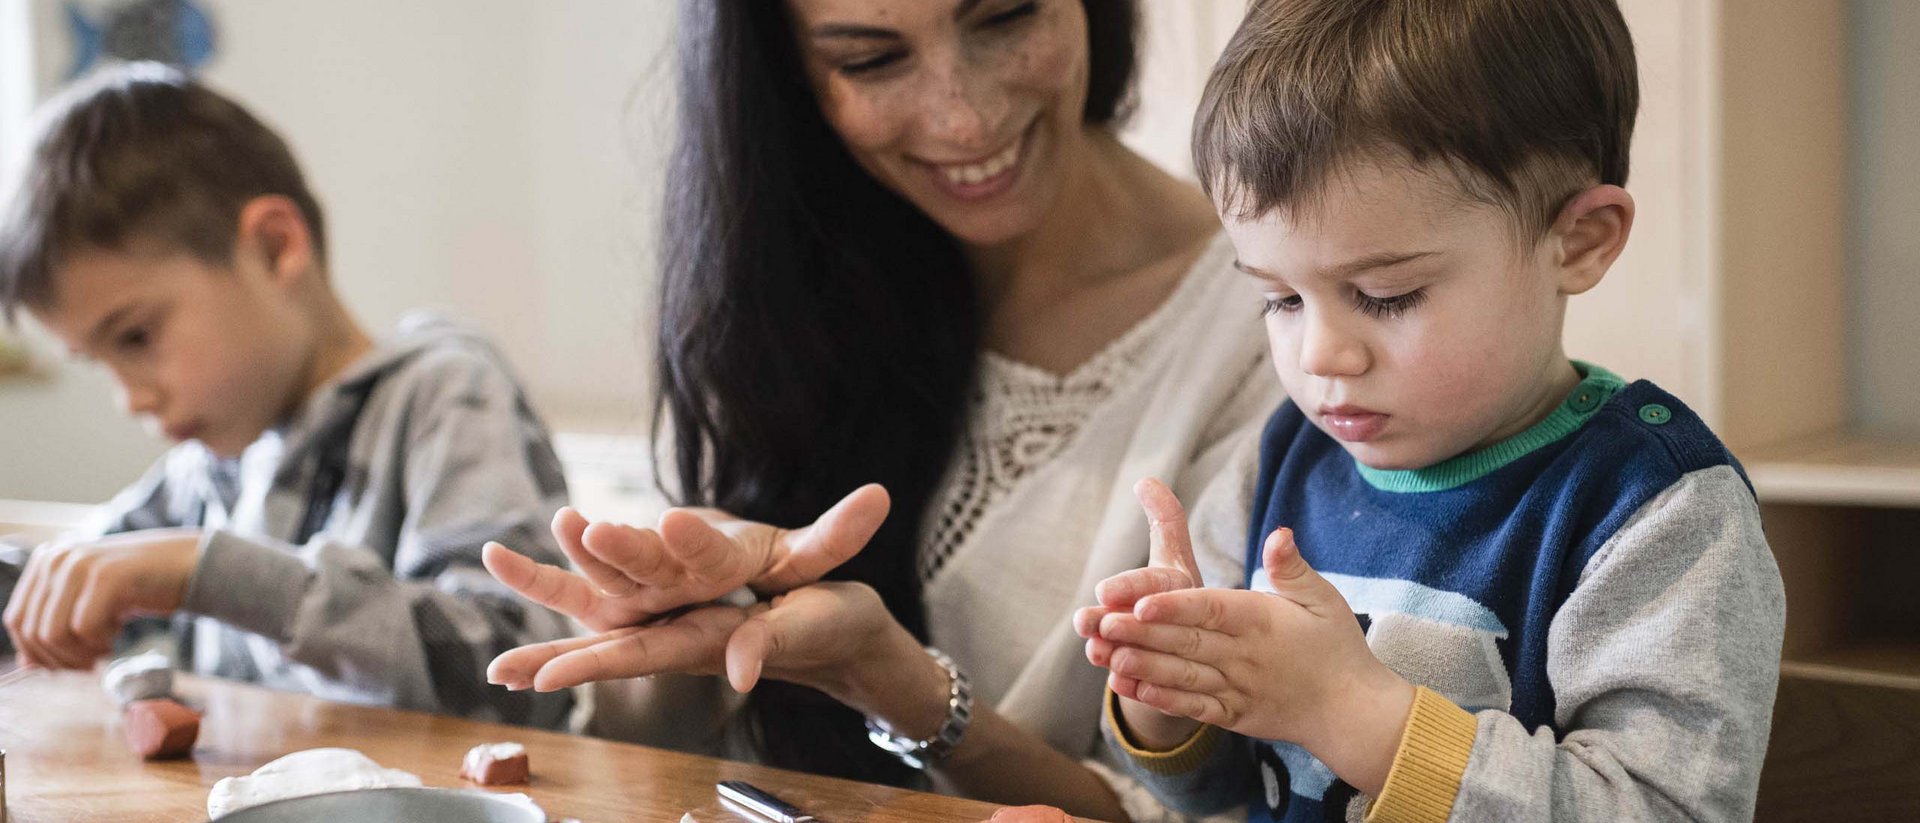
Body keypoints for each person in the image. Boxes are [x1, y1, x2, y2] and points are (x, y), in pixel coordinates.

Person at [481, 1, 1278, 819]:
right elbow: (671, 759)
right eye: (870, 60)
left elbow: (1195, 806)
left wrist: (897, 683)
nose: (964, 118)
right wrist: (699, 615)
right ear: (788, 82)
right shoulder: (796, 283)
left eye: (1003, 17)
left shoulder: (1284, 322)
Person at [1073, 0, 1785, 820]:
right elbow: (1219, 794)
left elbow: (1664, 810)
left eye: (1386, 295)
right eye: (1279, 298)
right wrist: (1170, 694)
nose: (1320, 355)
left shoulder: (1656, 512)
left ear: (1580, 240)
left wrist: (1349, 709)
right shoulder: (1281, 458)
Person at [0, 63, 576, 729]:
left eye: (135, 336)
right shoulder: (214, 462)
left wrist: (213, 571)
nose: (129, 398)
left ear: (275, 248)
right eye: (97, 362)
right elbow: (67, 579)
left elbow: (521, 669)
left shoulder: (446, 395)